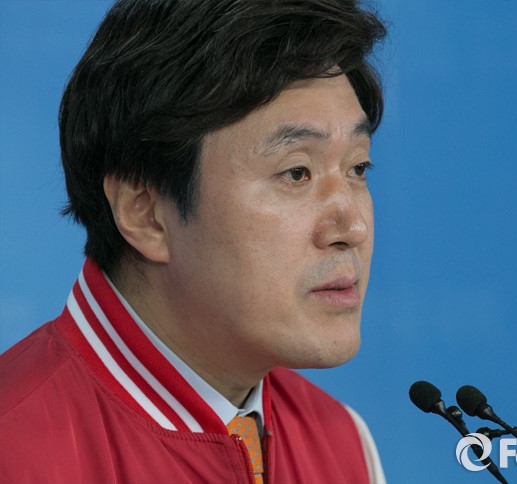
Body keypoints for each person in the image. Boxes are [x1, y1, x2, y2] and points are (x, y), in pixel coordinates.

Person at [0, 0, 387, 482]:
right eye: (296, 172)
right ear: (146, 214)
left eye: (358, 167)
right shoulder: (14, 450)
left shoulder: (344, 445)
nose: (353, 228)